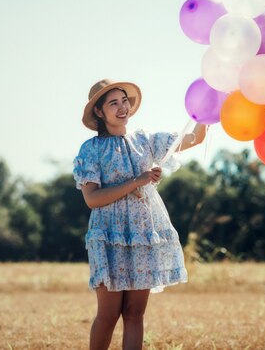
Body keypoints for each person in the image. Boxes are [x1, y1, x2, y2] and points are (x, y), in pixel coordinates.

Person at [73, 78, 206, 350]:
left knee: (135, 314)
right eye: (113, 103)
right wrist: (138, 180)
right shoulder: (91, 150)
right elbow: (92, 199)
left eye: (125, 101)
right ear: (99, 112)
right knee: (108, 315)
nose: (122, 107)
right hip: (109, 236)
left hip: (143, 234)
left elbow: (195, 138)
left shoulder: (145, 140)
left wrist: (208, 109)